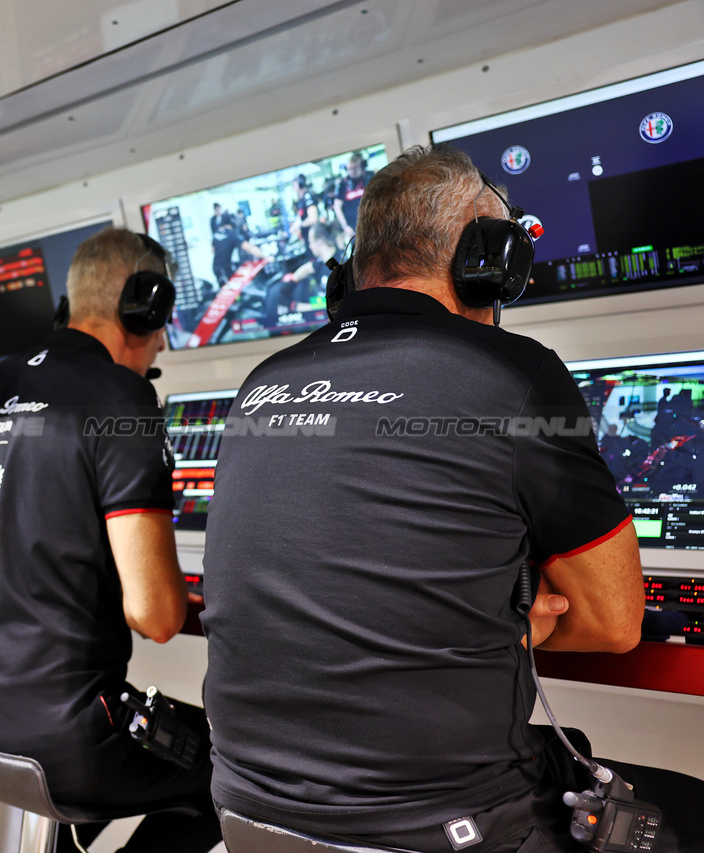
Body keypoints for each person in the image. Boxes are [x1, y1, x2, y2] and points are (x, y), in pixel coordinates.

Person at [203, 144, 704, 853]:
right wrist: (500, 618)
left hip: (250, 813)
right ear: (489, 261)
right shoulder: (513, 371)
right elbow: (616, 621)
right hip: (444, 826)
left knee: (570, 748)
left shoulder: (265, 381)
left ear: (350, 271)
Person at [0, 228, 221, 853]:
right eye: (162, 325)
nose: (160, 343)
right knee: (233, 771)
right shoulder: (122, 399)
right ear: (146, 306)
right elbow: (157, 617)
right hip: (61, 742)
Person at [333, 150, 373, 237]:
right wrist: (345, 226)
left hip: (374, 223)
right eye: (349, 169)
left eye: (355, 168)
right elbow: (337, 207)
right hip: (354, 229)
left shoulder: (371, 177)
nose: (352, 171)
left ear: (362, 166)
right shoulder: (342, 184)